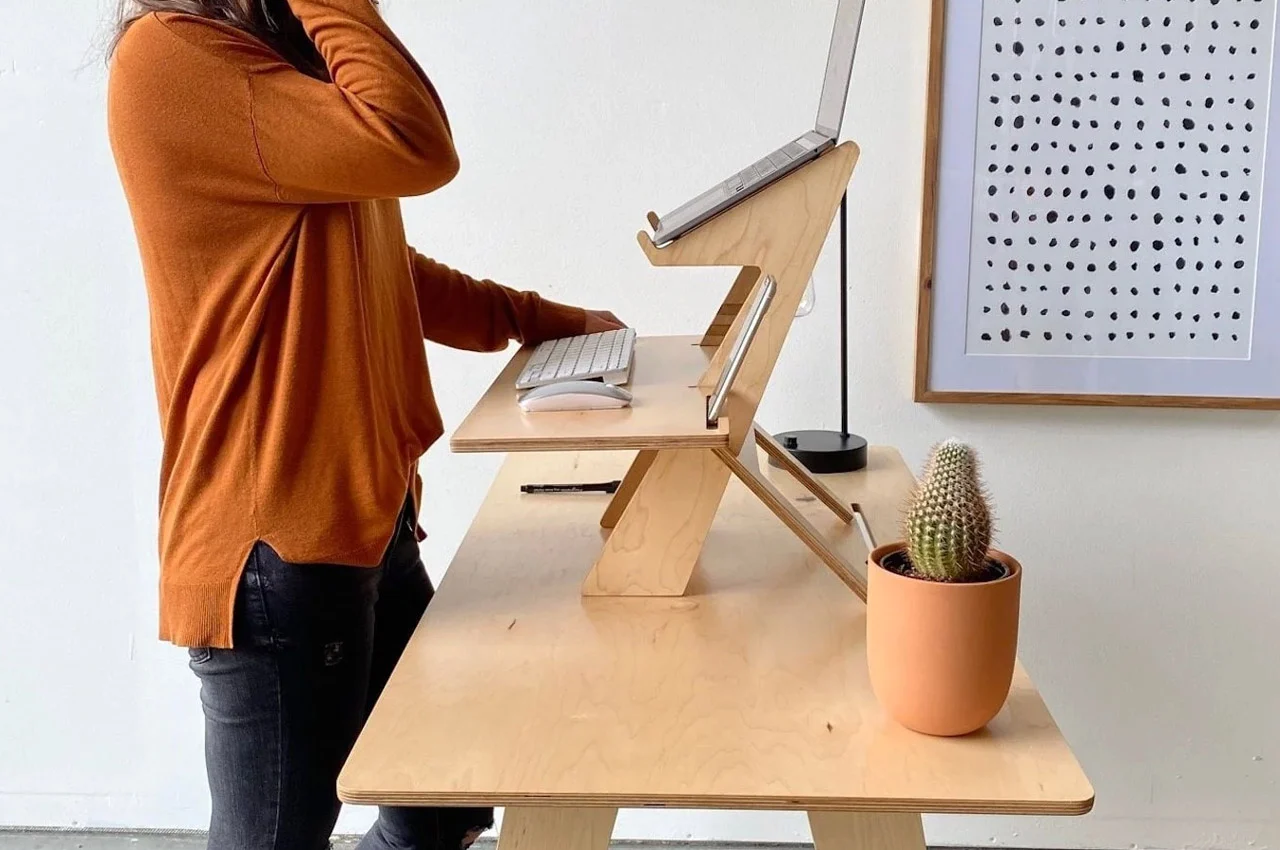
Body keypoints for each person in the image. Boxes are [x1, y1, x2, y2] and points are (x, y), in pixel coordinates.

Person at [107, 1, 623, 848]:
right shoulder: (171, 59)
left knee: (441, 807)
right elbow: (414, 142)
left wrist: (537, 319)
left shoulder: (267, 60)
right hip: (274, 541)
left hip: (361, 521)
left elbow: (377, 259)